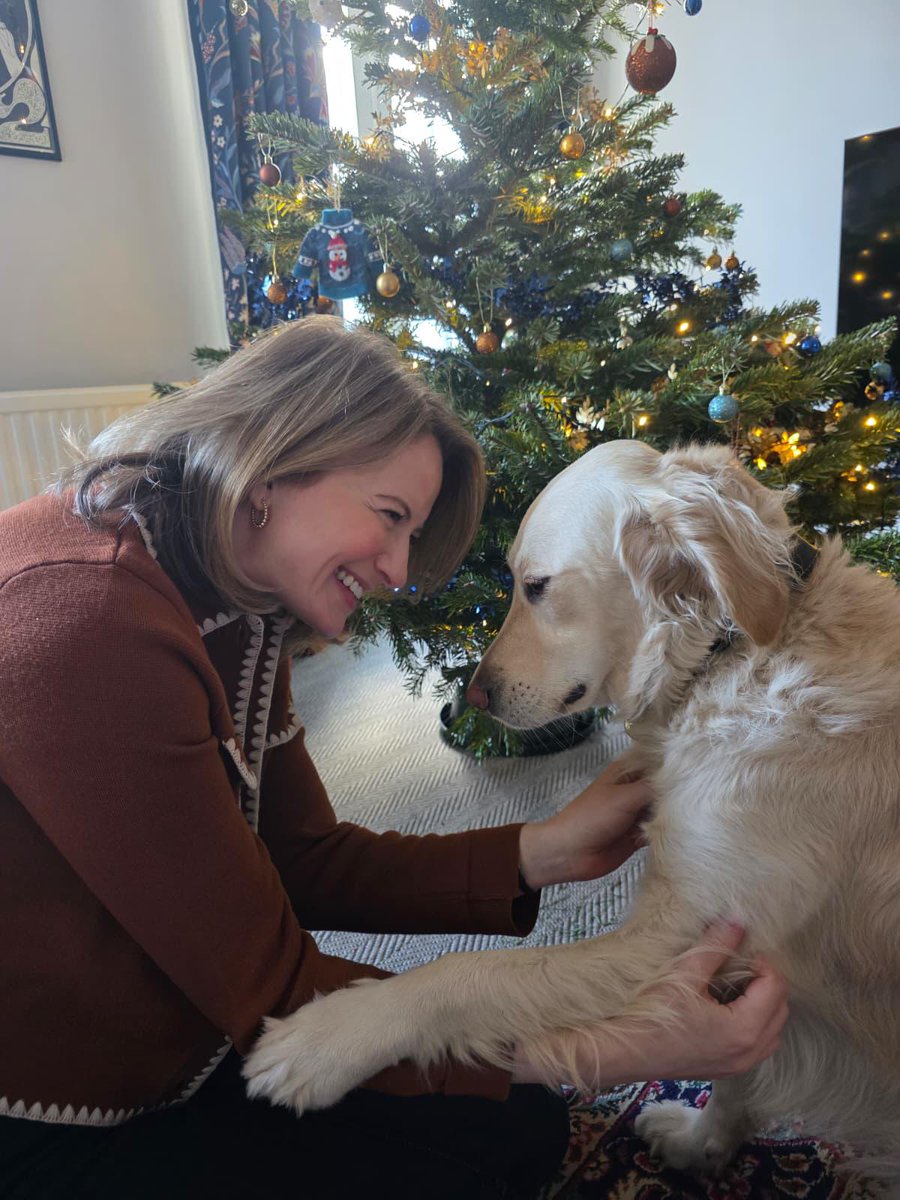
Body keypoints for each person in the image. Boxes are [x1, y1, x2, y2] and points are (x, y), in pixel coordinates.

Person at [0, 316, 789, 1200]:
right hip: (61, 1110)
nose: (399, 568)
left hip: (189, 1026)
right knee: (475, 1142)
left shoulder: (227, 584)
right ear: (274, 462)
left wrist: (544, 850)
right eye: (390, 517)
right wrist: (626, 1048)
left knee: (511, 1125)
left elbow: (300, 860)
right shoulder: (87, 626)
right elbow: (278, 992)